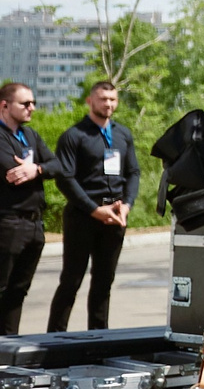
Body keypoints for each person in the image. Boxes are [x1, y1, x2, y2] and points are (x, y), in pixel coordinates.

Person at [46, 79, 135, 332]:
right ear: (90, 101)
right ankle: (55, 339)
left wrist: (126, 206)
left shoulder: (123, 134)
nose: (108, 104)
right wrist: (94, 210)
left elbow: (134, 172)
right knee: (71, 281)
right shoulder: (74, 136)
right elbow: (65, 178)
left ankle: (99, 338)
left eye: (112, 99)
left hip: (115, 218)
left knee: (103, 283)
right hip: (83, 217)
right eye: (102, 99)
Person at [0, 82, 54, 335]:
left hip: (34, 224)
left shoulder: (30, 136)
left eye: (33, 103)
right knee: (2, 287)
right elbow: (11, 171)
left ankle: (7, 347)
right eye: (25, 103)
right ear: (5, 106)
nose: (32, 108)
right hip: (9, 223)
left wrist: (37, 169)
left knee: (18, 291)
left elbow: (60, 165)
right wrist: (40, 168)